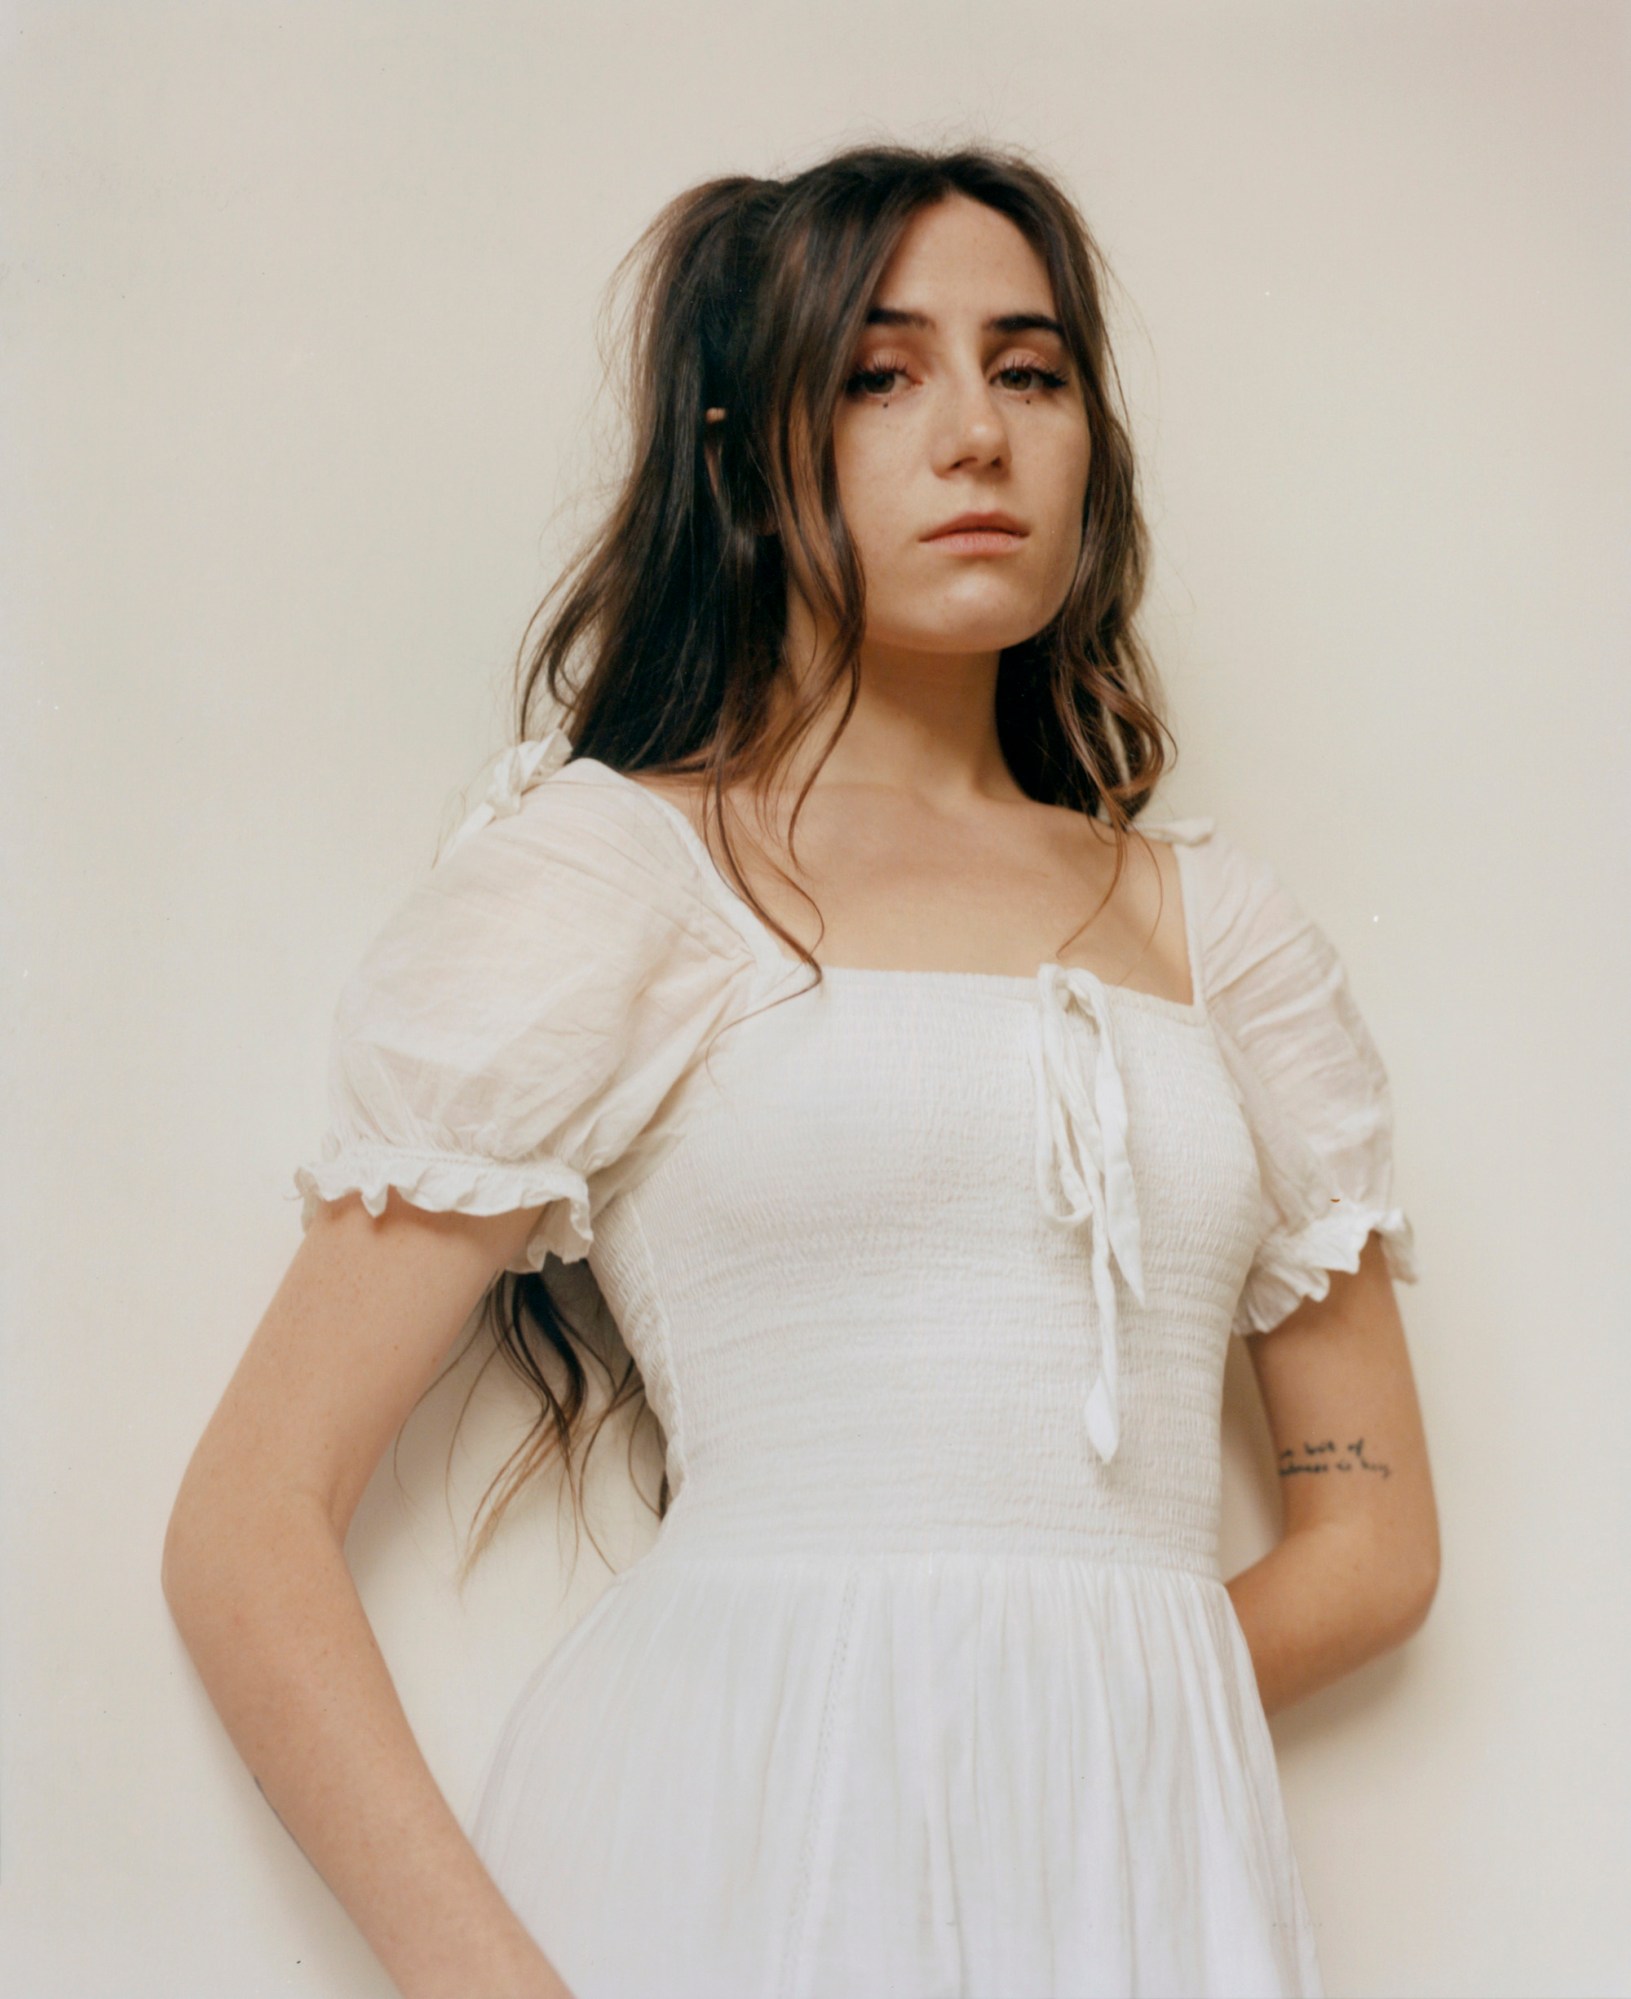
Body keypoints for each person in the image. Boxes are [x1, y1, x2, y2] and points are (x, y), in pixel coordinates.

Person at [161, 142, 1439, 1999]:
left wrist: (1052, 1749)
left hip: (1126, 1881)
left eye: (1030, 367)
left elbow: (1374, 1546)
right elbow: (247, 1519)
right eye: (878, 372)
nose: (977, 435)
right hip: (718, 1841)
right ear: (744, 447)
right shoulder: (622, 877)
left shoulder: (1221, 934)